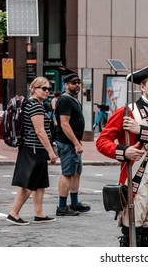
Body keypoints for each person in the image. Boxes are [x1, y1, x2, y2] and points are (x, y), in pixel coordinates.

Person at [96, 62, 148, 247]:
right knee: (131, 238)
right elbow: (102, 142)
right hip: (133, 182)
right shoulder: (126, 112)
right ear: (142, 86)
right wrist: (124, 152)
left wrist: (141, 130)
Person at [6, 77, 58, 226]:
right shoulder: (36, 106)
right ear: (34, 89)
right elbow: (40, 131)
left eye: (49, 89)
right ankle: (13, 213)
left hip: (33, 148)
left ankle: (39, 213)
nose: (47, 91)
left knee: (40, 183)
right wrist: (51, 152)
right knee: (28, 183)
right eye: (44, 88)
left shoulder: (33, 104)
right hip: (34, 149)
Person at [55, 73, 90, 216]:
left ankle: (74, 203)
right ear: (66, 85)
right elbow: (64, 124)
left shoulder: (72, 100)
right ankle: (62, 207)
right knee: (67, 173)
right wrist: (76, 143)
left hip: (73, 143)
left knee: (76, 172)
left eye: (78, 82)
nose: (77, 85)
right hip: (67, 143)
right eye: (74, 83)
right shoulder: (65, 100)